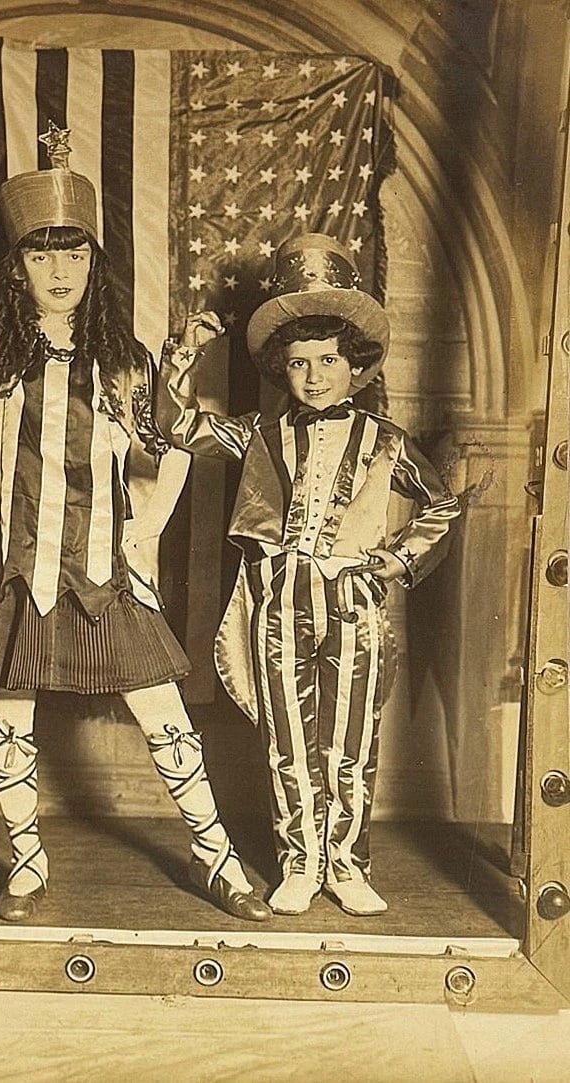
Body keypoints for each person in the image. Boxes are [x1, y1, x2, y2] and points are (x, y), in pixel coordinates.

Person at [0, 127, 271, 925]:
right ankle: (26, 860)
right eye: (42, 256)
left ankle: (219, 860)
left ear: (95, 263)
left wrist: (149, 523)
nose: (61, 272)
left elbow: (178, 439)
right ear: (17, 268)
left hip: (98, 568)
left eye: (75, 254)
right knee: (7, 708)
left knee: (162, 709)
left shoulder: (124, 361)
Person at [156, 233, 461, 916]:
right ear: (279, 369)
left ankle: (348, 863)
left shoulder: (384, 437)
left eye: (329, 361)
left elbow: (441, 502)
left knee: (352, 739)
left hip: (353, 604)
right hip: (279, 601)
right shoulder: (260, 434)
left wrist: (401, 554)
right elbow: (178, 426)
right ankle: (299, 860)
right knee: (288, 739)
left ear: (356, 367)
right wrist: (182, 356)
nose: (315, 376)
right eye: (299, 363)